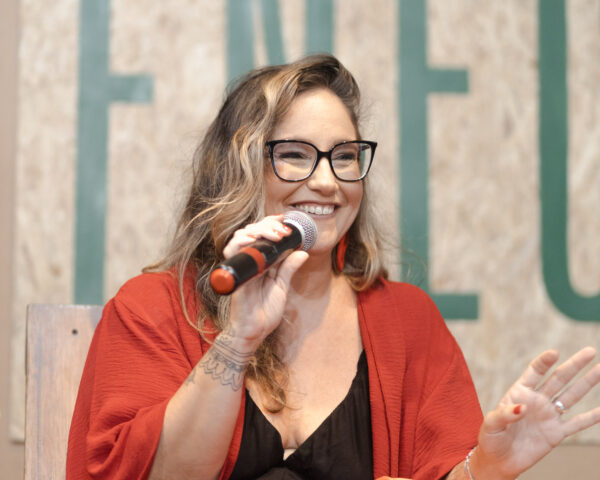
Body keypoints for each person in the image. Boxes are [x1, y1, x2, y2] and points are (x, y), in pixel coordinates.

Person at [67, 54, 600, 480]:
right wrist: (238, 340)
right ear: (239, 168)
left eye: (344, 157)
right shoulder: (153, 307)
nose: (327, 182)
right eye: (295, 155)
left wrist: (487, 469)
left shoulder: (407, 320)